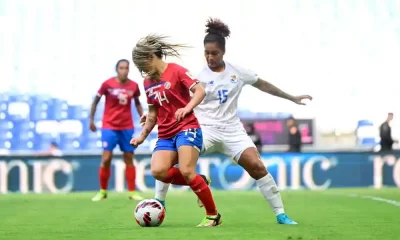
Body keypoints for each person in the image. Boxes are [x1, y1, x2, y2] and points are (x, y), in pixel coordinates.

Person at [150, 18, 313, 225]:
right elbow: (171, 97)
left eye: (214, 53)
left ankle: (281, 214)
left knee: (257, 166)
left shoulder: (237, 71)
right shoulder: (196, 76)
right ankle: (159, 201)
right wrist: (153, 115)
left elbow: (263, 85)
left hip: (232, 130)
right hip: (204, 129)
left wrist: (292, 97)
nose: (210, 57)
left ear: (223, 52)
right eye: (207, 53)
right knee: (171, 158)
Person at [129, 34, 222, 227]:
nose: (143, 70)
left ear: (152, 55)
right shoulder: (147, 82)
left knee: (187, 171)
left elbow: (200, 91)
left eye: (142, 64)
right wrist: (141, 136)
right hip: (165, 134)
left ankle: (213, 216)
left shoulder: (177, 71)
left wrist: (187, 108)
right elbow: (152, 114)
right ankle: (201, 181)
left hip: (187, 128)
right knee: (158, 171)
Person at [90, 59, 144, 201]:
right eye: (121, 68)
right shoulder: (107, 84)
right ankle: (102, 191)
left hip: (126, 126)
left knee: (129, 158)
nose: (124, 70)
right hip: (109, 126)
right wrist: (91, 120)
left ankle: (132, 192)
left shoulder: (134, 86)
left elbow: (137, 103)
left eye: (126, 68)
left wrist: (143, 117)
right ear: (116, 69)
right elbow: (95, 101)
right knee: (106, 158)